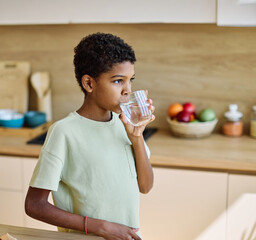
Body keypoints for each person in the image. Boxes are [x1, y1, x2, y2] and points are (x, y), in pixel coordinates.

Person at [25, 32, 155, 240]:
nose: (127, 90)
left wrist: (137, 137)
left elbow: (145, 186)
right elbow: (34, 205)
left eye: (130, 80)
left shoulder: (127, 126)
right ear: (89, 84)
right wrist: (101, 227)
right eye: (117, 81)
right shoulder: (64, 132)